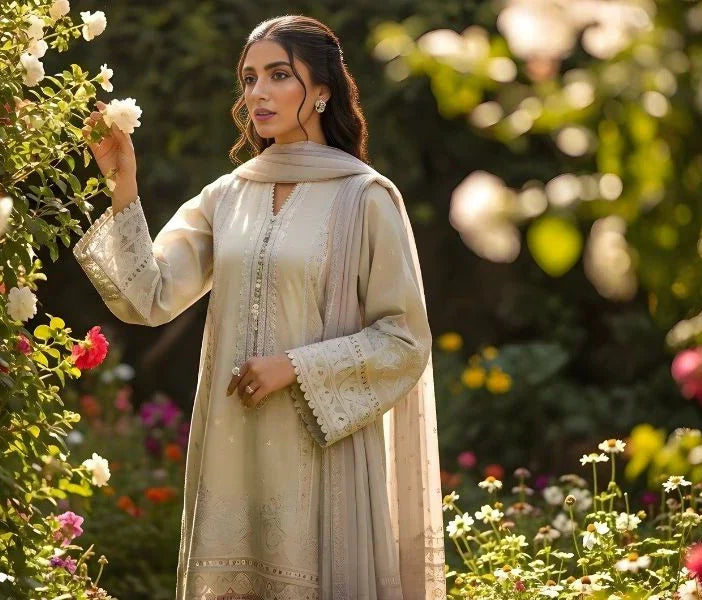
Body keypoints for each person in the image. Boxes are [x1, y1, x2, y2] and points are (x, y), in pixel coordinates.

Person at [77, 15, 443, 599]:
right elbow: (147, 296)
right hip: (234, 459)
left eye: (278, 75)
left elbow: (404, 340)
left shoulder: (365, 198)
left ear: (321, 90)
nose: (258, 94)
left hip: (322, 458)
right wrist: (123, 183)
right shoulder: (229, 196)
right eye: (249, 79)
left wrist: (295, 366)